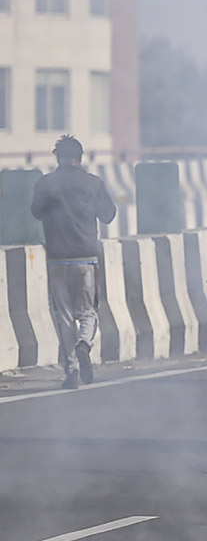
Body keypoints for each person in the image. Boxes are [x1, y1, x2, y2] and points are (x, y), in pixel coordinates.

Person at [30, 135, 117, 389]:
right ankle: (84, 344)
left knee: (64, 318)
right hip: (86, 258)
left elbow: (36, 212)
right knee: (88, 312)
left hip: (57, 259)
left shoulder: (45, 183)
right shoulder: (93, 183)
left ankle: (72, 373)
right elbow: (109, 215)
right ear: (81, 158)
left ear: (58, 158)